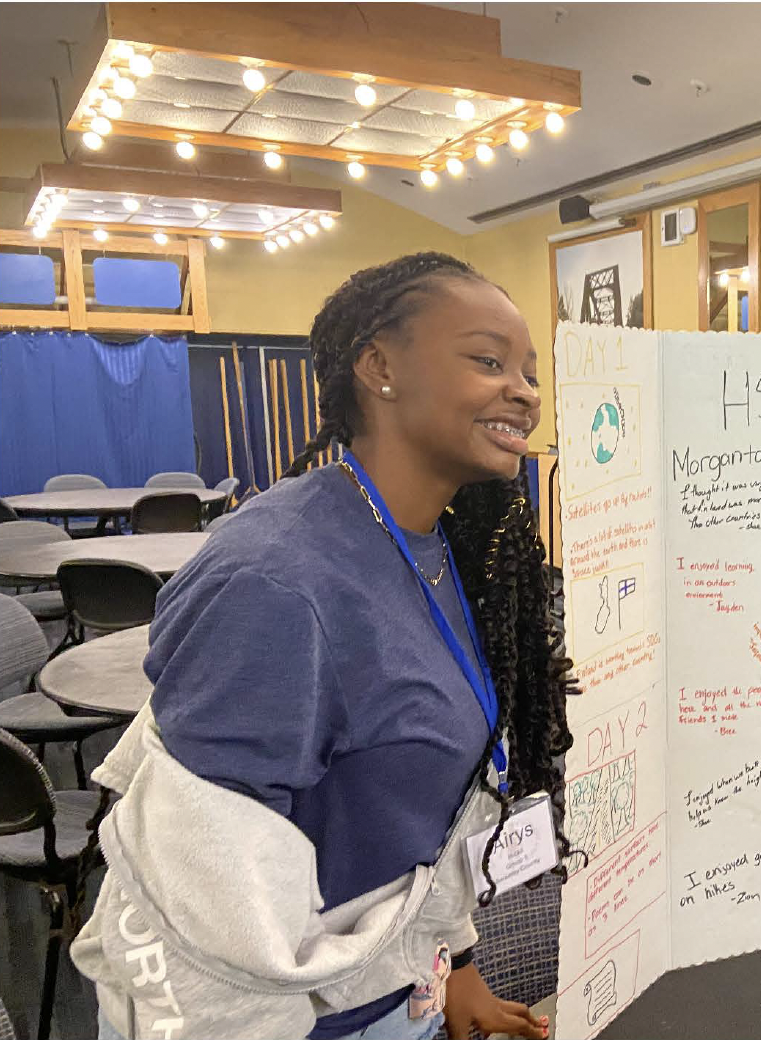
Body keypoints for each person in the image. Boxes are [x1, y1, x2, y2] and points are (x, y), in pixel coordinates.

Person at [72, 253, 578, 1040]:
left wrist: (456, 961)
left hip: (393, 990)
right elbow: (195, 917)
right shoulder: (275, 583)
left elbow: (421, 811)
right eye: (488, 361)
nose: (523, 391)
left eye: (529, 371)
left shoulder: (449, 551)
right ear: (379, 366)